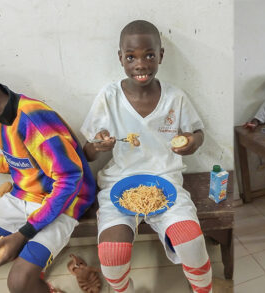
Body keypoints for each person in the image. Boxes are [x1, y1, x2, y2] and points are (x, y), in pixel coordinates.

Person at [81, 20, 214, 292]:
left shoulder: (175, 98)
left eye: (149, 55)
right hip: (119, 184)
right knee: (112, 254)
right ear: (121, 58)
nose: (140, 64)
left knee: (191, 242)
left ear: (161, 56)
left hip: (166, 183)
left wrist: (192, 142)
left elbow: (197, 133)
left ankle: (204, 288)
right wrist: (98, 145)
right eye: (131, 57)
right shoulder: (109, 96)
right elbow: (88, 152)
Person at [0, 59, 96, 292]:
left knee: (18, 283)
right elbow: (29, 160)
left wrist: (24, 233)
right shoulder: (0, 118)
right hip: (25, 195)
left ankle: (36, 274)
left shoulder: (34, 120)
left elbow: (69, 180)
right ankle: (30, 260)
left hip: (65, 200)